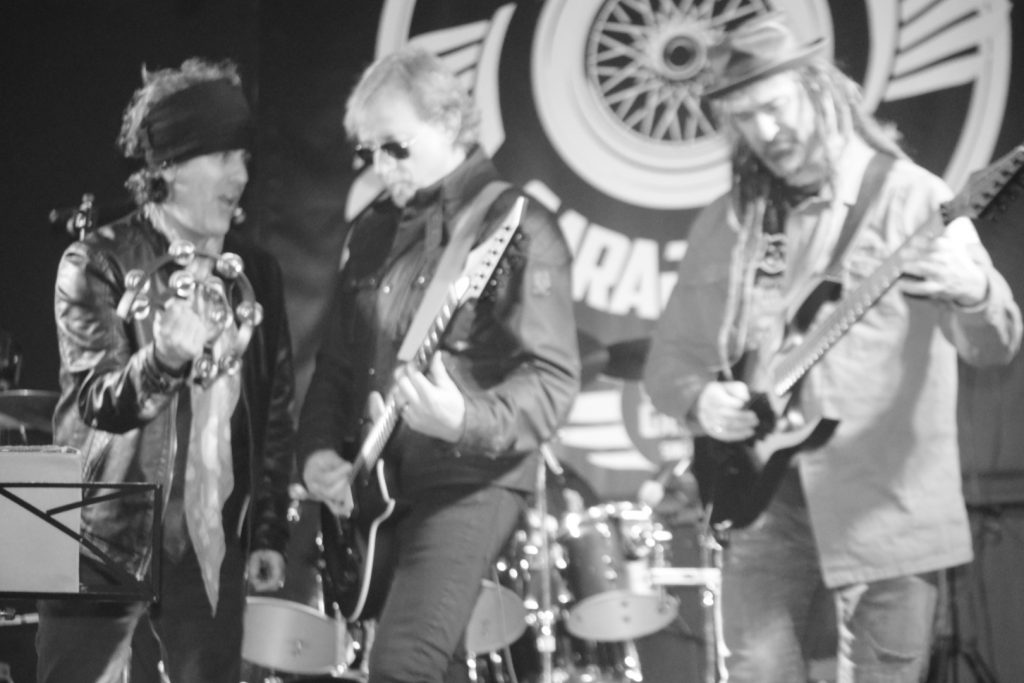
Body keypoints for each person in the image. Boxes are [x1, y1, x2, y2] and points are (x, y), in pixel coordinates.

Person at [643, 14, 1022, 683]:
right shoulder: (728, 221)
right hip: (763, 505)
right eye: (744, 117)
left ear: (821, 90)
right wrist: (701, 401)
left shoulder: (914, 197)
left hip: (888, 507)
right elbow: (668, 362)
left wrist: (973, 292)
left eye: (775, 106)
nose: (765, 131)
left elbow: (994, 347)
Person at [297, 47, 580, 682]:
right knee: (436, 665)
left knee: (403, 663)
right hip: (380, 486)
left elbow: (554, 382)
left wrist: (464, 419)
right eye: (369, 152)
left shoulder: (515, 224)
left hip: (471, 479)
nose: (382, 167)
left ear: (450, 123)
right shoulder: (371, 231)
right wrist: (317, 454)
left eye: (396, 147)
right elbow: (337, 366)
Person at [36, 57, 296, 683]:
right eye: (223, 156)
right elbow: (98, 400)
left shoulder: (255, 271)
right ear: (170, 167)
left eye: (244, 158)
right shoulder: (95, 261)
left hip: (209, 544)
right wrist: (164, 359)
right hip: (101, 536)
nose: (242, 175)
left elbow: (273, 408)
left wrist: (265, 531)